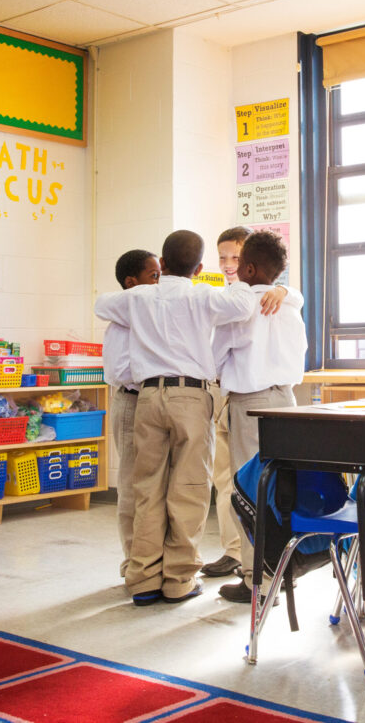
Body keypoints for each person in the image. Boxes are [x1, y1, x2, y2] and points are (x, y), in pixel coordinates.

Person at [94, 230, 256, 606]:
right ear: (199, 268)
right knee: (189, 489)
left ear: (162, 264)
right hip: (191, 396)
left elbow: (102, 305)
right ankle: (179, 579)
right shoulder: (203, 295)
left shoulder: (137, 296)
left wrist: (135, 295)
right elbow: (245, 304)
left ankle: (144, 579)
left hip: (148, 396)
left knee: (146, 488)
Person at [212, 230, 307, 603]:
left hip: (250, 403)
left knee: (248, 490)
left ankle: (257, 578)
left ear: (248, 267)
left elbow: (214, 358)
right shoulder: (289, 304)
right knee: (282, 489)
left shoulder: (238, 306)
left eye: (236, 262)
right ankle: (285, 570)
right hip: (286, 400)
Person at [104, 249, 160, 578]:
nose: (159, 282)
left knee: (152, 486)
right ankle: (132, 563)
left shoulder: (149, 310)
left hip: (154, 400)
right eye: (153, 275)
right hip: (131, 399)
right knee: (131, 484)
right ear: (131, 282)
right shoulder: (125, 312)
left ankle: (149, 559)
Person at [201, 227, 252, 579]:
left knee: (247, 479)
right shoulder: (224, 293)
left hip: (247, 395)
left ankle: (252, 555)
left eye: (236, 257)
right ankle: (233, 550)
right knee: (223, 477)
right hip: (222, 393)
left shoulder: (265, 295)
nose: (228, 264)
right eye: (223, 257)